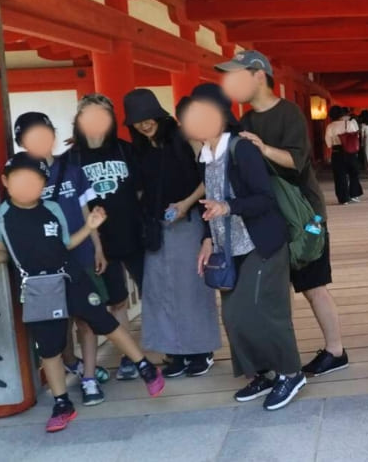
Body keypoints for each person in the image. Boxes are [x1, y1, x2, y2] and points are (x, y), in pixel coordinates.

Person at [0, 153, 165, 433]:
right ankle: (62, 402)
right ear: (5, 181)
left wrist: (89, 228)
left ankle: (144, 366)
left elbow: (64, 244)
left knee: (103, 321)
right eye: (21, 179)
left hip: (71, 276)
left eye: (36, 180)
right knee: (50, 348)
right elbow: (6, 252)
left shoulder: (52, 207)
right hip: (38, 288)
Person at [217, 51, 349, 378]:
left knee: (313, 283)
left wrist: (261, 148)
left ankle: (336, 350)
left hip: (306, 214)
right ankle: (275, 357)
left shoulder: (288, 113)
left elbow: (297, 162)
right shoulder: (244, 121)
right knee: (273, 290)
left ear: (259, 75)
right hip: (268, 216)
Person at [182, 84, 306, 410]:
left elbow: (264, 199)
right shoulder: (203, 155)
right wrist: (207, 239)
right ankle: (261, 373)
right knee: (235, 317)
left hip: (260, 243)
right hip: (227, 247)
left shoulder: (241, 149)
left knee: (265, 311)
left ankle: (291, 372)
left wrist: (229, 206)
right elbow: (206, 203)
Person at [13, 112, 110, 405]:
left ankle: (90, 378)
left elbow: (84, 211)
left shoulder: (72, 168)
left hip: (80, 255)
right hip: (45, 266)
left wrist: (98, 247)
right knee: (60, 323)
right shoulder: (22, 172)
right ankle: (73, 364)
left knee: (88, 320)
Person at [123, 88, 221, 379]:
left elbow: (209, 177)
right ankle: (174, 352)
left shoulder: (183, 137)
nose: (144, 124)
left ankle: (200, 351)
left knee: (191, 288)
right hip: (157, 227)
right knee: (160, 290)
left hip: (188, 220)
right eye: (137, 120)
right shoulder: (139, 149)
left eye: (147, 117)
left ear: (158, 113)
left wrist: (185, 204)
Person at [65, 93, 145, 381]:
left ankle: (169, 349)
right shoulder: (70, 159)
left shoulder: (125, 150)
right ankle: (127, 355)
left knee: (153, 291)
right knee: (116, 300)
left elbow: (140, 190)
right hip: (97, 242)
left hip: (132, 234)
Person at [325, 105, 364, 205]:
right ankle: (354, 194)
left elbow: (328, 143)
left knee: (340, 176)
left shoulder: (330, 126)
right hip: (350, 151)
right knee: (354, 173)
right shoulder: (350, 123)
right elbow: (356, 136)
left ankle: (343, 198)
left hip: (337, 152)